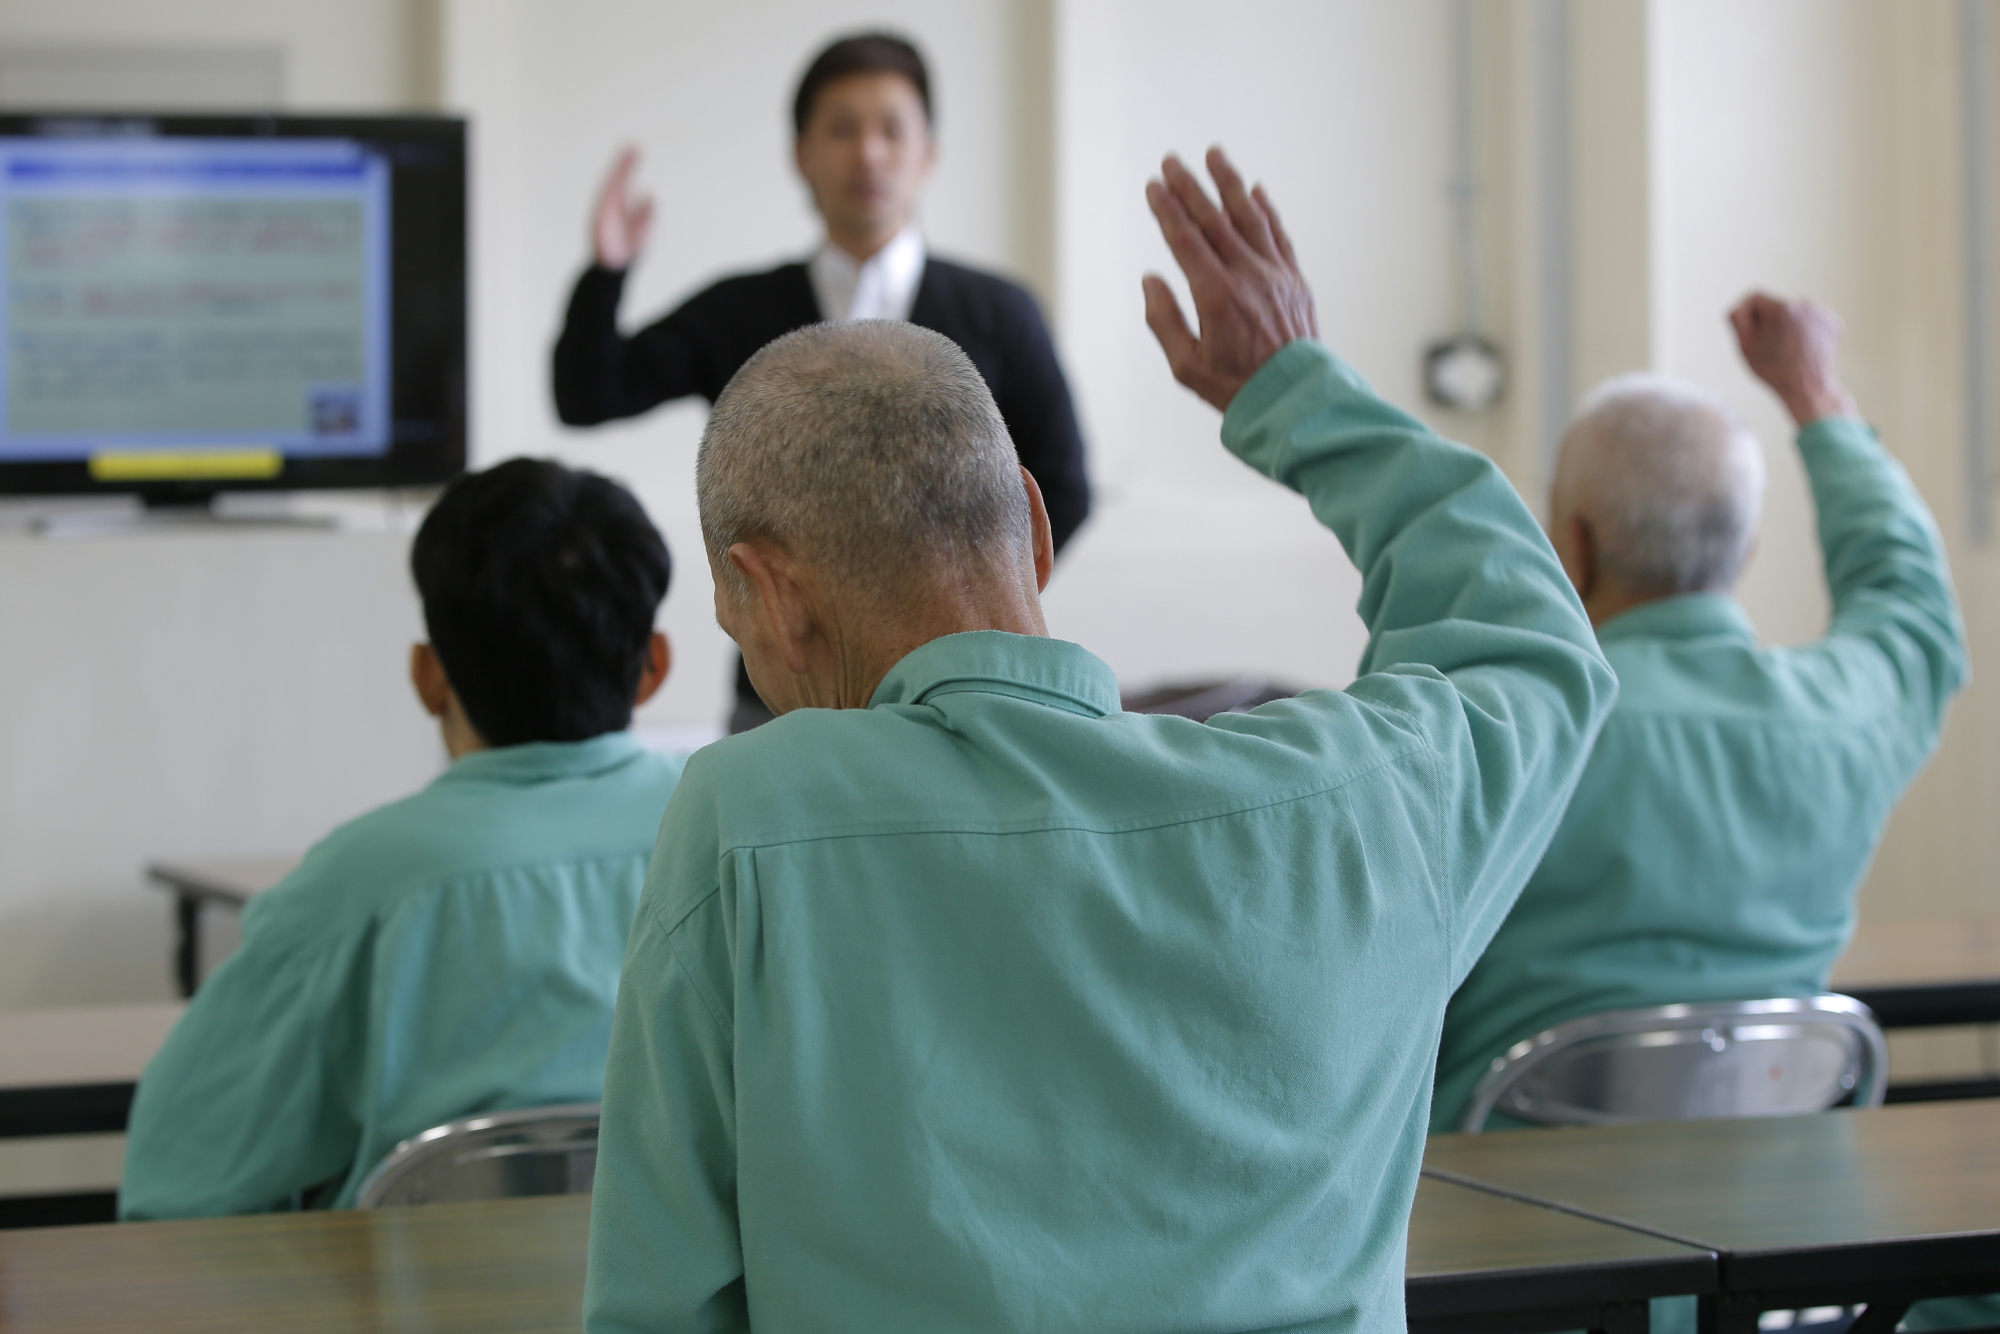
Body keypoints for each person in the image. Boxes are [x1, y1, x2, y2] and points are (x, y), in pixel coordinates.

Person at [581, 148, 1615, 1334]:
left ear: (767, 593)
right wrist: (1294, 386)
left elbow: (658, 1305)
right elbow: (1532, 644)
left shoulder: (747, 823)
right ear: (1030, 520)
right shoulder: (1352, 802)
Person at [1431, 296, 1968, 1137]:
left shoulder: (1498, 734)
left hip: (1510, 1230)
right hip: (1773, 1229)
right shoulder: (1844, 719)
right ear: (1746, 549)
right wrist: (1815, 399)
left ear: (1569, 544)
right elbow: (1914, 605)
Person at [121, 459, 684, 1218]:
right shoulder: (746, 841)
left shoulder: (358, 888)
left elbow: (174, 1196)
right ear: (654, 667)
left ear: (428, 677)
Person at [551, 31, 1091, 733]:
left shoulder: (999, 313)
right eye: (841, 129)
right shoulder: (740, 310)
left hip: (966, 684)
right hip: (781, 688)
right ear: (801, 154)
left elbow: (1064, 487)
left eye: (891, 129)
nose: (867, 152)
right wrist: (606, 273)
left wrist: (975, 593)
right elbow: (588, 394)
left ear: (927, 153)